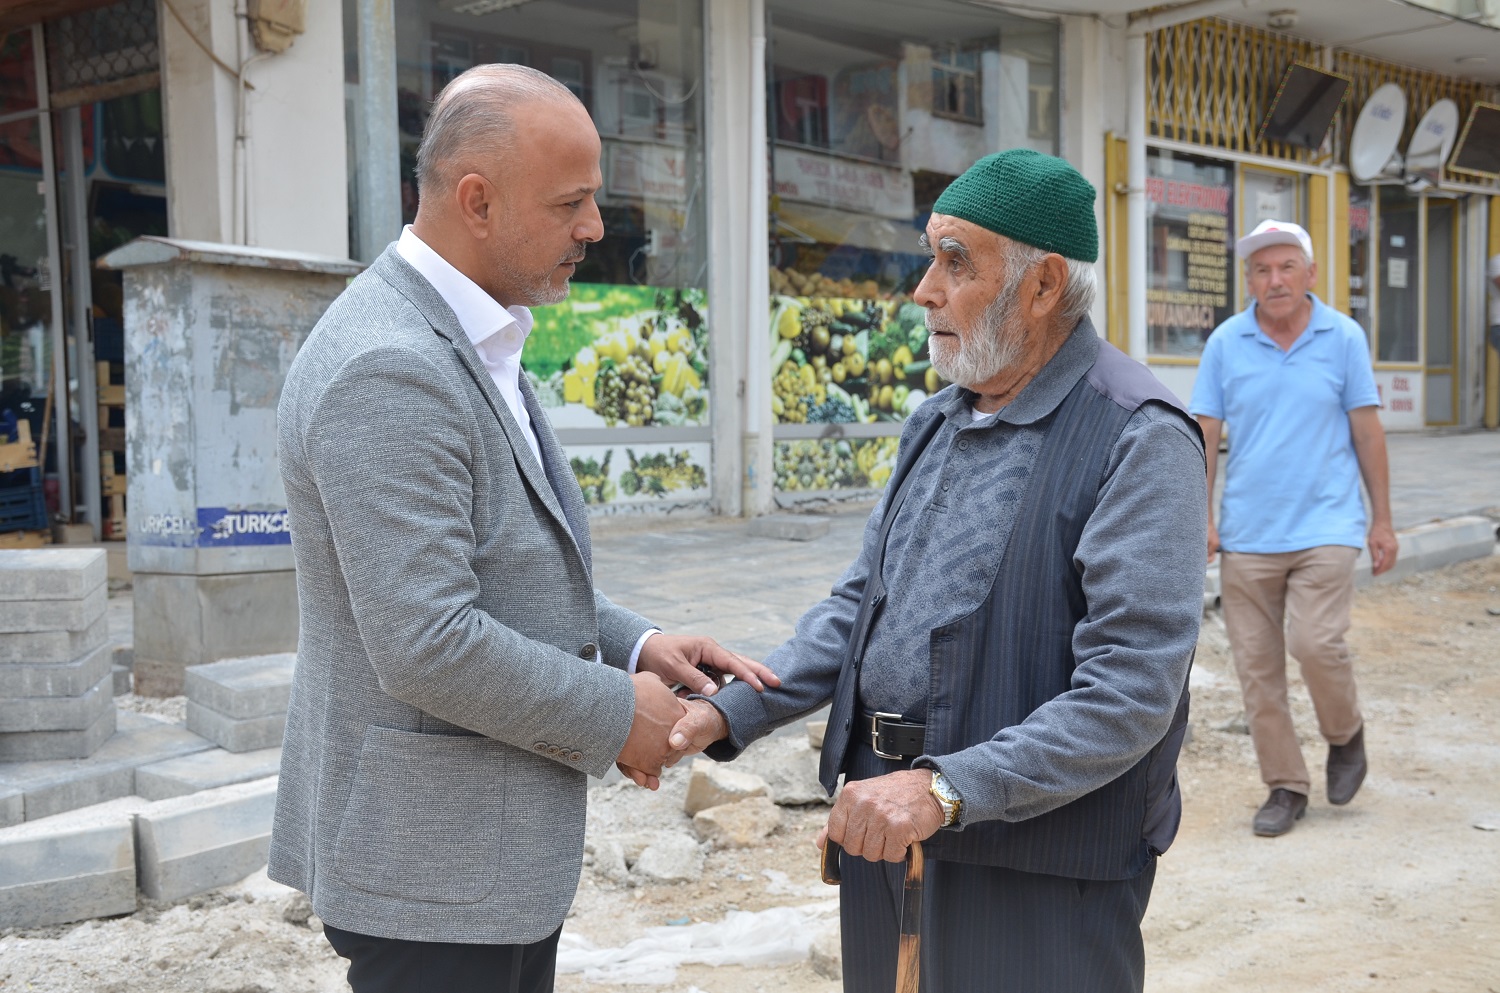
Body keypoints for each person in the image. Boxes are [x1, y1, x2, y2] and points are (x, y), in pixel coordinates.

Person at [268, 64, 776, 993]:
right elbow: (425, 641)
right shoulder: (391, 367)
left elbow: (501, 562)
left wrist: (636, 644)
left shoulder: (473, 330)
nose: (594, 228)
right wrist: (618, 711)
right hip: (427, 870)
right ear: (478, 201)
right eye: (573, 202)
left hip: (469, 862)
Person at [668, 150, 1208, 993]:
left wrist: (947, 790)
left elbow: (1131, 690)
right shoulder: (937, 418)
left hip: (1038, 858)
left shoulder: (1138, 436)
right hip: (885, 820)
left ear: (1042, 286)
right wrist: (731, 708)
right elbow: (862, 609)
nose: (923, 288)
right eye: (931, 257)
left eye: (956, 262)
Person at [1188, 219, 1398, 838]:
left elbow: (1366, 431)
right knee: (1257, 669)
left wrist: (1382, 520)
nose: (1273, 280)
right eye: (1260, 270)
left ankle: (1345, 734)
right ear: (1248, 280)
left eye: (1285, 267)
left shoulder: (1343, 337)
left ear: (1310, 274)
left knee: (1315, 643)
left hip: (1327, 524)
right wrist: (1200, 517)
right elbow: (1204, 434)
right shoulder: (1227, 342)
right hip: (1249, 531)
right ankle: (1285, 784)